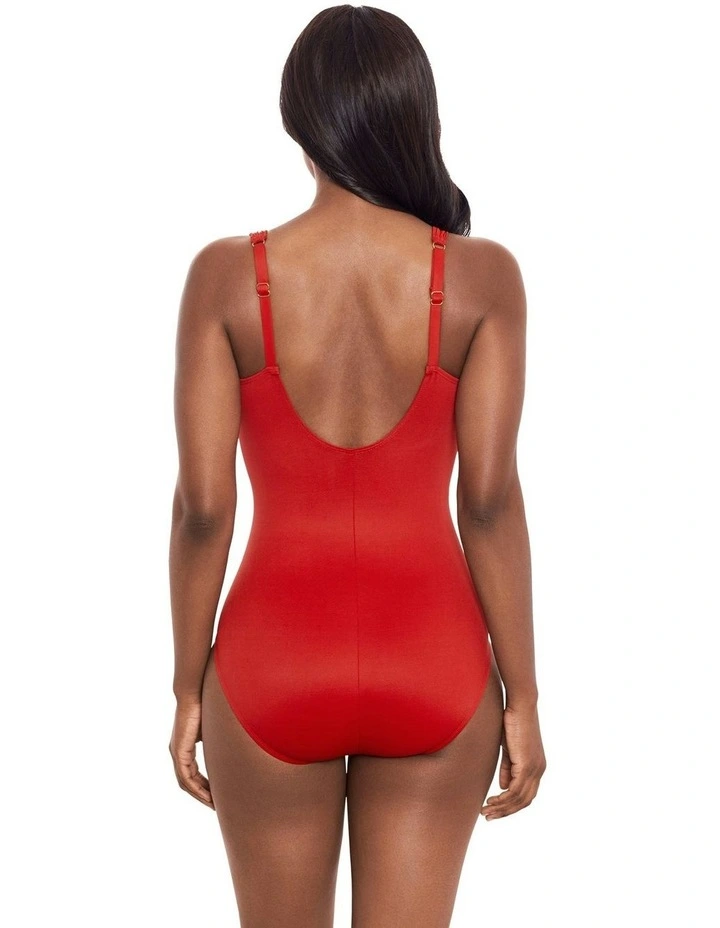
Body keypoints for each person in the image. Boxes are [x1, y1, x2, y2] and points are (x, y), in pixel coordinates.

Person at [168, 5, 546, 926]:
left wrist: (185, 687)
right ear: (417, 116)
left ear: (298, 121)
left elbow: (204, 510)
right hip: (435, 659)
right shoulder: (482, 277)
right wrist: (525, 696)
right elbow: (489, 503)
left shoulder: (225, 277)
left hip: (271, 663)